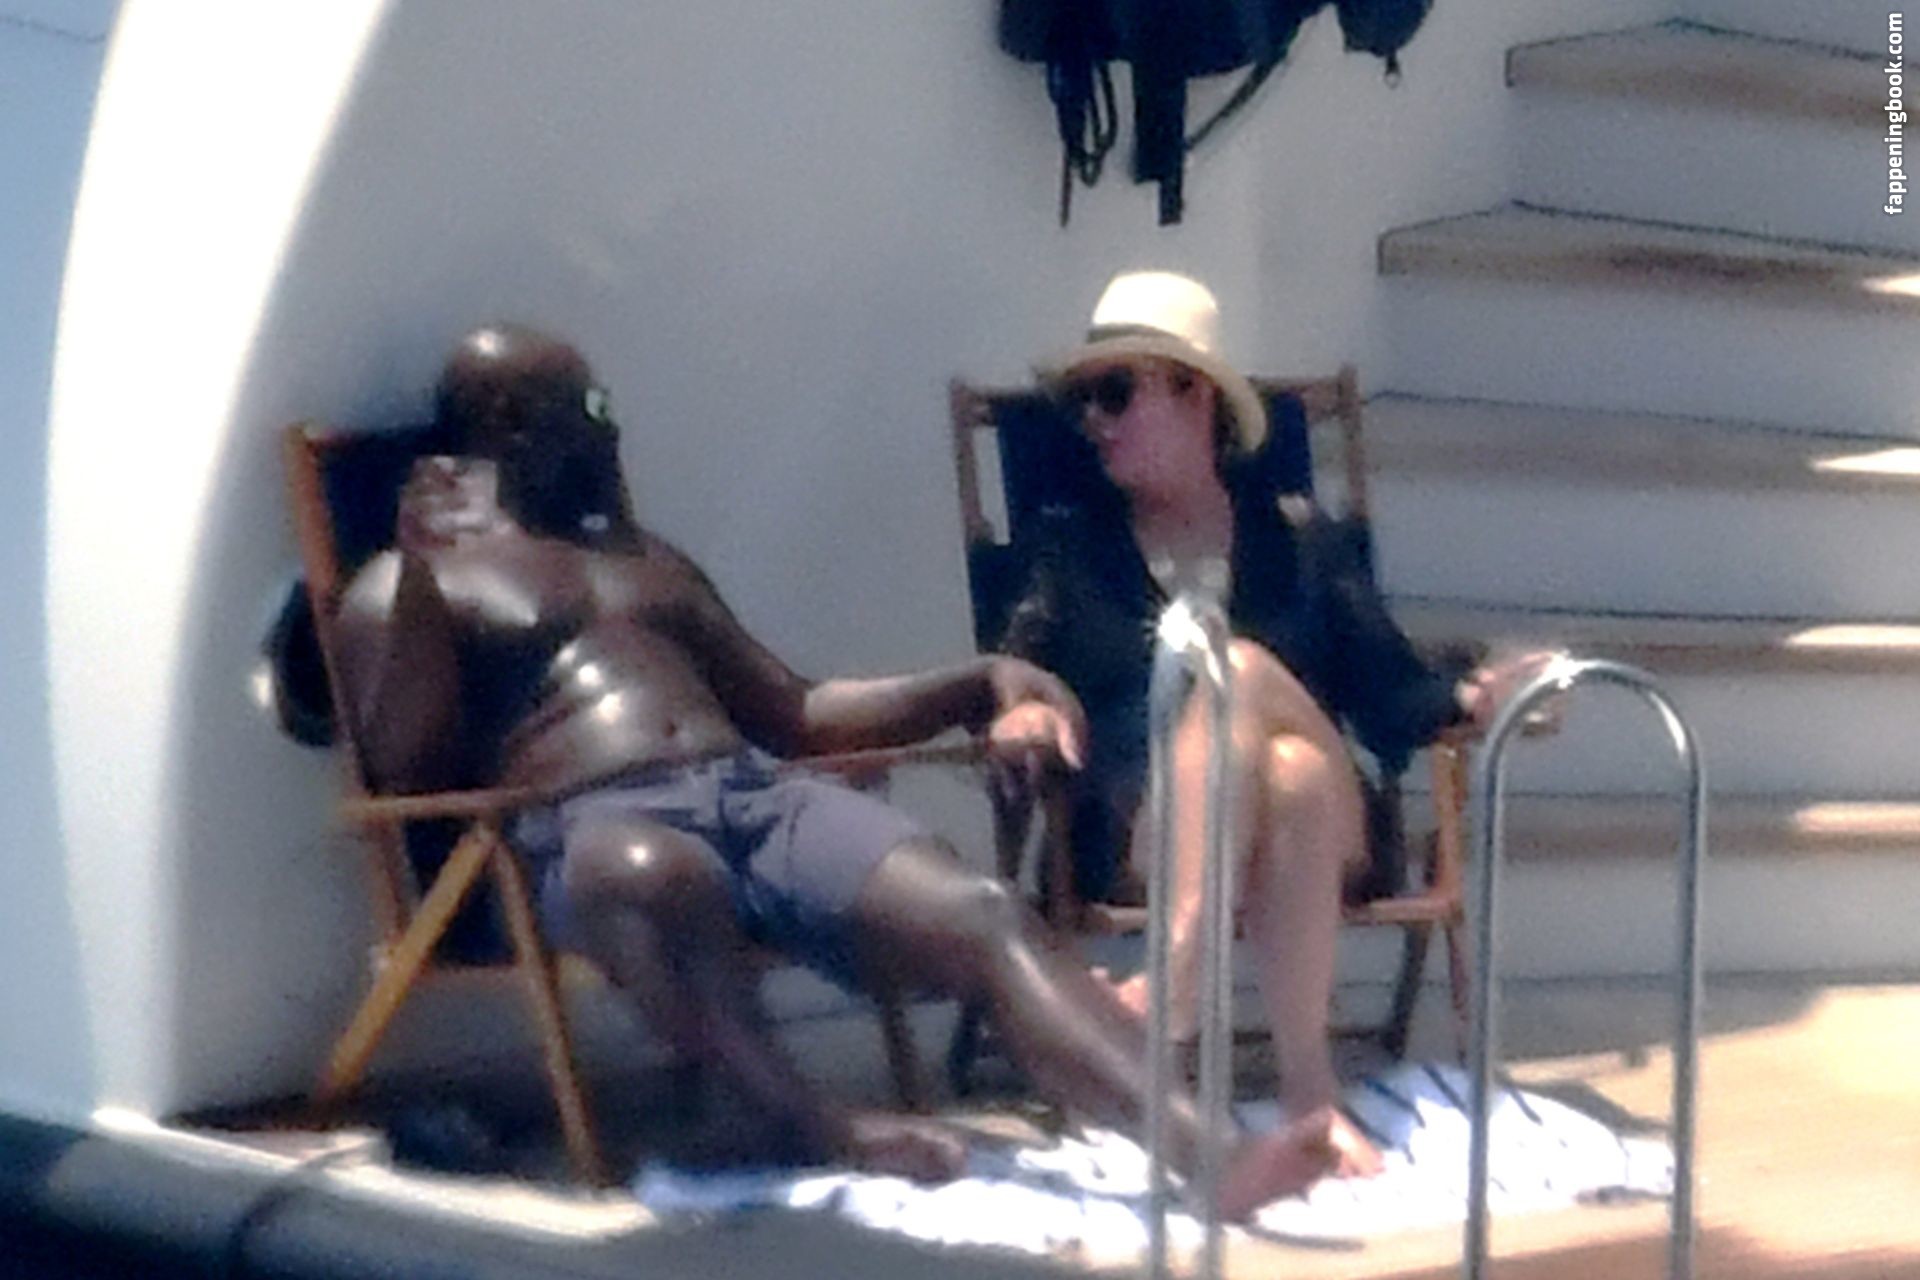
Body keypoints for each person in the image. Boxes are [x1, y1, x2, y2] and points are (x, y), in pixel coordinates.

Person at [331, 323, 1362, 1215]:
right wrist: (413, 570)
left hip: (754, 792)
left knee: (982, 909)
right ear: (511, 429)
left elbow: (797, 711)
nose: (611, 432)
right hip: (589, 819)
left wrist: (976, 680)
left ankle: (1205, 1152)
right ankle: (808, 1122)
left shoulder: (647, 560)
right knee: (647, 870)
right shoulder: (413, 580)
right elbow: (404, 764)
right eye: (592, 408)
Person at [994, 272, 1555, 1176]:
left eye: (1115, 392)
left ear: (1196, 394)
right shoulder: (1070, 548)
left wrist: (1473, 697)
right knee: (1289, 773)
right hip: (1143, 827)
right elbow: (1012, 669)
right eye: (1081, 401)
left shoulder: (1298, 538)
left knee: (1244, 670)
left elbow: (1390, 693)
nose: (1092, 420)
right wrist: (1019, 708)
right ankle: (1311, 1099)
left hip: (1342, 837)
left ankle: (1175, 981)